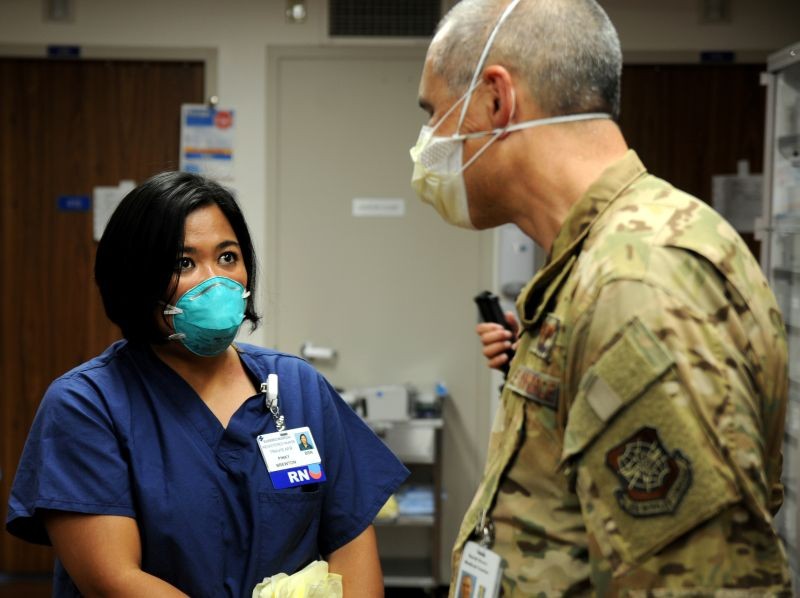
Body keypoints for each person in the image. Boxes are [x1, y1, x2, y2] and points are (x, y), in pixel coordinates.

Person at [410, 0, 792, 595]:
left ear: (495, 100)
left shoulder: (636, 284)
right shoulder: (595, 262)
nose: (427, 142)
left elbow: (700, 582)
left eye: (434, 115)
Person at [6, 171, 409, 597]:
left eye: (228, 257)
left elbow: (350, 541)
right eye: (184, 263)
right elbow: (115, 581)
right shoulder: (87, 404)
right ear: (134, 278)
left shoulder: (296, 386)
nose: (215, 281)